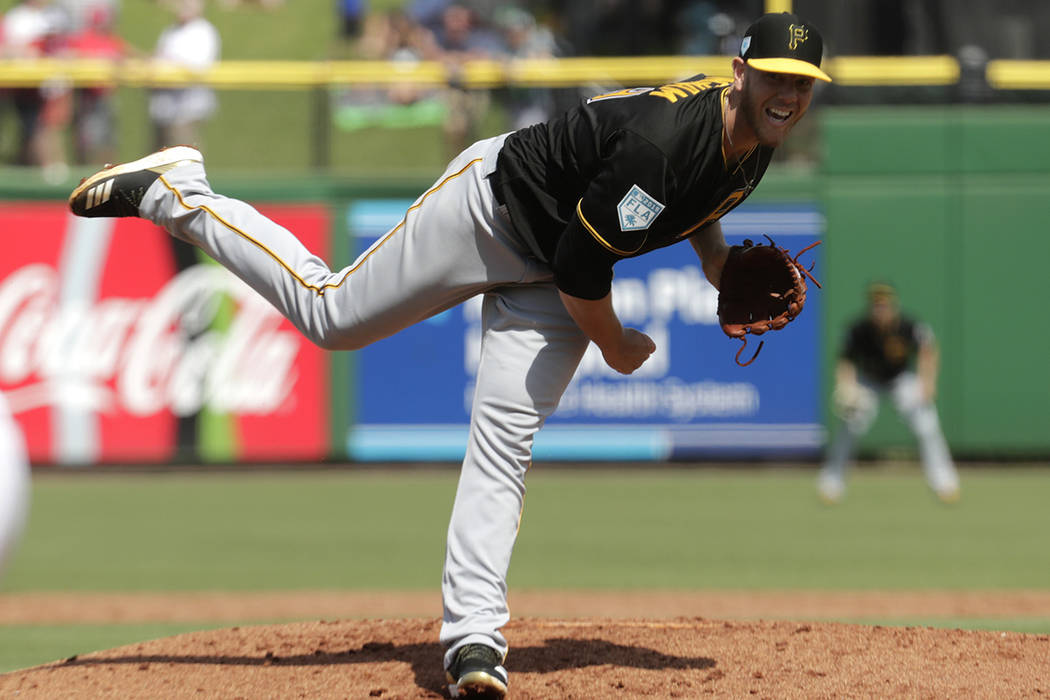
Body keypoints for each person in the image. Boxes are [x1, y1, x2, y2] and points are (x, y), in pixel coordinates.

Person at [69, 12, 830, 698]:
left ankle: (473, 639)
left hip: (552, 266)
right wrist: (616, 343)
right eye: (775, 77)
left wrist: (717, 264)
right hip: (492, 211)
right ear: (740, 72)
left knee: (505, 442)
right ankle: (180, 191)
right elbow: (581, 266)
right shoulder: (667, 145)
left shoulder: (755, 141)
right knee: (332, 315)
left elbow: (692, 204)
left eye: (803, 84)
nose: (789, 94)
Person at [817, 282, 961, 505]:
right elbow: (845, 361)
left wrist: (927, 382)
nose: (880, 310)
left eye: (884, 306)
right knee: (850, 426)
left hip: (900, 379)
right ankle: (831, 484)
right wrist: (847, 387)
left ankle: (945, 483)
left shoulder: (908, 326)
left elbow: (928, 350)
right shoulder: (858, 329)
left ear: (893, 306)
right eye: (876, 306)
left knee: (926, 425)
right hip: (869, 381)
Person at [148, 0, 220, 151]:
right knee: (156, 163)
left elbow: (197, 69)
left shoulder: (203, 31)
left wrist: (165, 72)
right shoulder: (172, 30)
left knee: (183, 161)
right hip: (163, 108)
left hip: (187, 110)